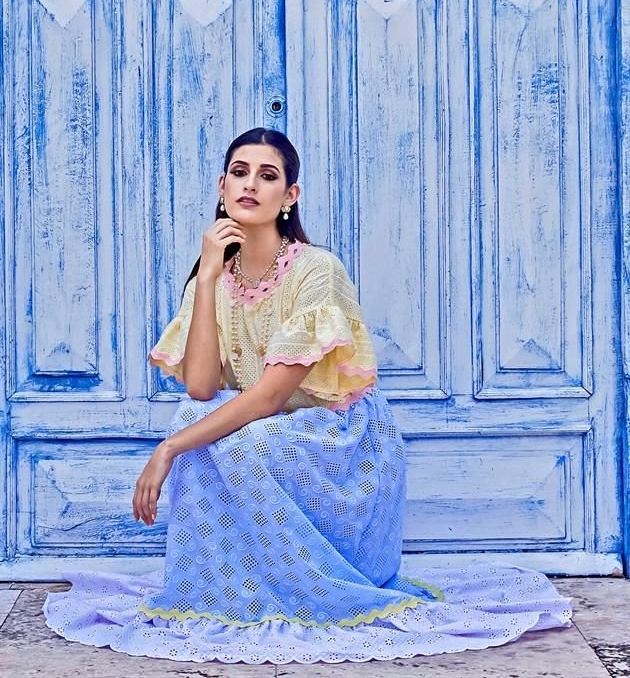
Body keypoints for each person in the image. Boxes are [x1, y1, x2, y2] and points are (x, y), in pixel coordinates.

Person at [44, 127, 572, 663]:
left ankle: (306, 584)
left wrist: (167, 449)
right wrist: (205, 280)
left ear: (289, 195)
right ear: (223, 187)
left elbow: (269, 398)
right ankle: (229, 592)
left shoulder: (316, 270)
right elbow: (202, 387)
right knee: (195, 417)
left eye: (267, 175)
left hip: (338, 438)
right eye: (240, 173)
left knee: (223, 441)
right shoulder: (214, 277)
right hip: (268, 430)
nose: (251, 185)